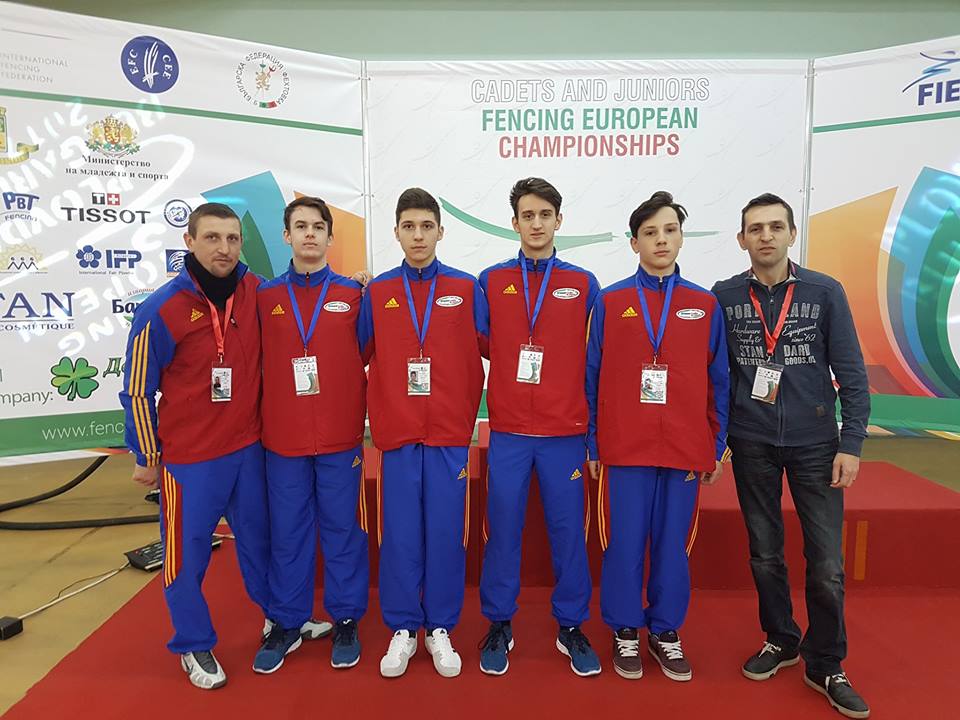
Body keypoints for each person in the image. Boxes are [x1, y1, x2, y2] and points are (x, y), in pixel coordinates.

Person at [712, 193, 870, 719]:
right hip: (751, 441)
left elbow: (852, 373)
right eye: (755, 228)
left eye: (775, 227)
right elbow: (716, 376)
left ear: (792, 234)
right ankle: (780, 638)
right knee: (765, 553)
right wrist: (716, 441)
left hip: (816, 444)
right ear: (742, 239)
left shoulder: (825, 292)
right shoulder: (724, 296)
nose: (766, 236)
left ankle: (826, 662)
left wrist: (851, 443)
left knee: (826, 564)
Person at [119, 202, 270, 690]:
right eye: (212, 237)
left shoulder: (255, 291)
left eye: (232, 238)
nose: (224, 248)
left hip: (248, 449)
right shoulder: (160, 308)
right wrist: (145, 454)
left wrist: (357, 285)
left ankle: (280, 618)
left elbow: (299, 304)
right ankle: (192, 641)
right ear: (189, 241)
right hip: (190, 460)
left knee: (261, 543)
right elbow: (137, 389)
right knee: (185, 557)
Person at [586, 191, 728, 682]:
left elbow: (719, 380)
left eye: (670, 230)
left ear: (682, 237)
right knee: (624, 544)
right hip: (625, 448)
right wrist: (593, 443)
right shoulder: (610, 301)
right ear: (634, 243)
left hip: (685, 449)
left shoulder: (704, 305)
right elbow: (592, 376)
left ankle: (665, 630)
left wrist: (715, 446)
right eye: (650, 233)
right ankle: (625, 628)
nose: (661, 240)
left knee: (672, 546)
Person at [358, 188, 488, 678]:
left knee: (446, 534)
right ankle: (402, 627)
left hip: (449, 437)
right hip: (397, 436)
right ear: (396, 232)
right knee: (399, 536)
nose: (418, 236)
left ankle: (439, 627)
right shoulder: (377, 293)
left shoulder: (466, 288)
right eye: (409, 227)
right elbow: (356, 354)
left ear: (440, 231)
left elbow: (496, 345)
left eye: (426, 226)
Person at [477, 177, 601, 677]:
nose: (536, 223)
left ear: (558, 220)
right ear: (514, 223)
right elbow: (480, 343)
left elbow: (595, 360)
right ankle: (499, 622)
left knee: (568, 534)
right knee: (502, 532)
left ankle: (571, 625)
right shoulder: (491, 281)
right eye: (527, 215)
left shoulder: (584, 284)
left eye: (545, 214)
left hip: (564, 434)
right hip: (508, 432)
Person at [253, 196, 369, 674]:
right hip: (284, 439)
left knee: (343, 531)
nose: (309, 234)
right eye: (300, 226)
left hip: (340, 437)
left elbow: (368, 351)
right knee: (288, 533)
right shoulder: (264, 298)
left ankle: (346, 618)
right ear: (286, 235)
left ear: (329, 237)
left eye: (318, 227)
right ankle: (287, 621)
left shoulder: (354, 294)